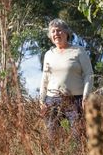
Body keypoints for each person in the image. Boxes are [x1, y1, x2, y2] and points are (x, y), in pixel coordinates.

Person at [39, 18, 93, 146]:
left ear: (66, 33)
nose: (56, 34)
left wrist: (85, 97)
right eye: (53, 32)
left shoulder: (79, 51)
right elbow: (45, 78)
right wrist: (41, 100)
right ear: (50, 36)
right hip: (52, 101)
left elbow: (89, 74)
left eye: (59, 31)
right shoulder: (48, 54)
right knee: (52, 137)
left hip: (76, 100)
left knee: (78, 136)